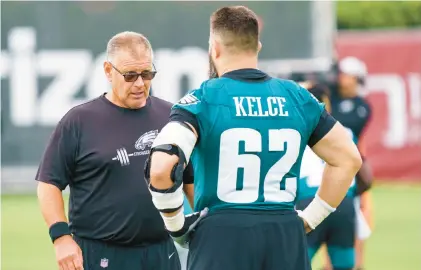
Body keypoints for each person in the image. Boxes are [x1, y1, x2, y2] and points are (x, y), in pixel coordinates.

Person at [144, 6, 362, 270]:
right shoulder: (297, 96)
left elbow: (161, 167)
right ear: (257, 46)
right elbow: (348, 159)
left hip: (222, 234)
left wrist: (177, 227)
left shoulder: (203, 99)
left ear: (214, 47)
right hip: (284, 232)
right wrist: (310, 219)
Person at [35, 31, 193, 270]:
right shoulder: (79, 121)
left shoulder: (171, 117)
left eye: (147, 73)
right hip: (100, 254)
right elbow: (48, 184)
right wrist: (61, 237)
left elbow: (192, 181)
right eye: (130, 75)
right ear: (108, 71)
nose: (140, 83)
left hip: (163, 252)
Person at [296, 82, 362, 270]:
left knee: (294, 262)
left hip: (307, 202)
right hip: (343, 202)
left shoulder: (293, 132)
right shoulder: (345, 132)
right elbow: (361, 170)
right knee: (344, 265)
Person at [330, 56, 374, 270]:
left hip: (350, 170)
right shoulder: (332, 97)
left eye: (346, 74)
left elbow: (345, 128)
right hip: (328, 165)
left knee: (355, 220)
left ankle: (358, 263)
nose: (341, 78)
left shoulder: (362, 107)